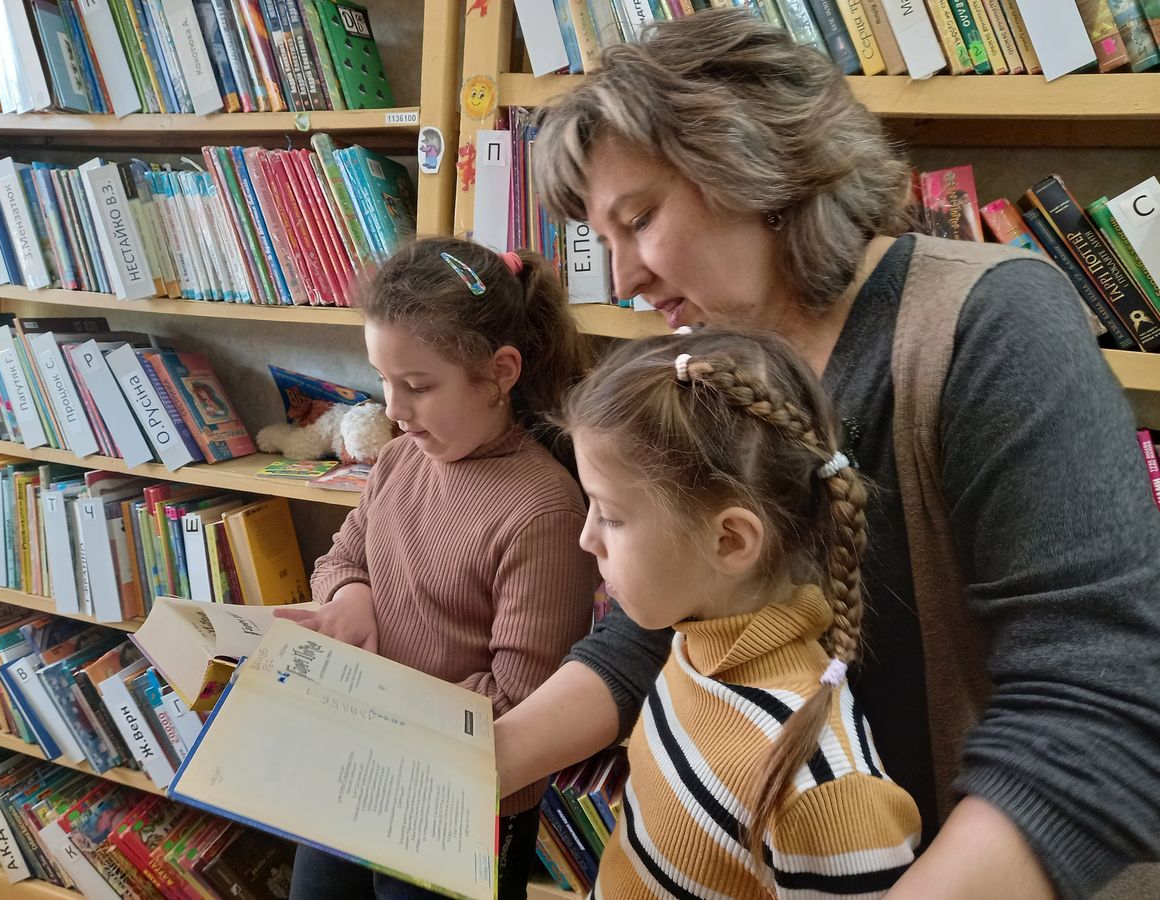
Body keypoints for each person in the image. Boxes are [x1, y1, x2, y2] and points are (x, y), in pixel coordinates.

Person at [496, 10, 1160, 899]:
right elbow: (664, 620)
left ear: (756, 164)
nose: (624, 279)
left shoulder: (994, 326)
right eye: (602, 239)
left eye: (640, 218)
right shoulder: (713, 355)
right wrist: (480, 762)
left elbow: (1095, 712)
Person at [275, 237, 601, 900]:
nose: (393, 410)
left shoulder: (543, 510)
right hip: (357, 764)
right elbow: (341, 557)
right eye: (383, 379)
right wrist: (351, 595)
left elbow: (520, 706)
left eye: (418, 386)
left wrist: (376, 704)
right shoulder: (401, 460)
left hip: (461, 802)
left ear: (500, 372)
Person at [567, 328, 921, 896]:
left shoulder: (826, 792)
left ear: (729, 541)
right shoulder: (693, 645)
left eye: (610, 514)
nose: (587, 538)